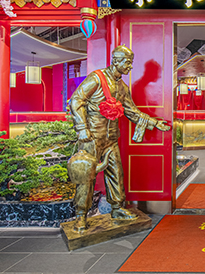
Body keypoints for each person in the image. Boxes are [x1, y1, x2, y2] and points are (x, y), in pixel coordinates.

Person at [67, 45, 170, 232]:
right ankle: (81, 216)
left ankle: (117, 208)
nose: (130, 67)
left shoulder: (122, 87)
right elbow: (76, 100)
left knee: (116, 174)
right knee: (86, 177)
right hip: (91, 138)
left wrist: (155, 123)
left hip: (111, 138)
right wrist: (82, 128)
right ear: (116, 61)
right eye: (128, 63)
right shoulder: (96, 78)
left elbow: (132, 112)